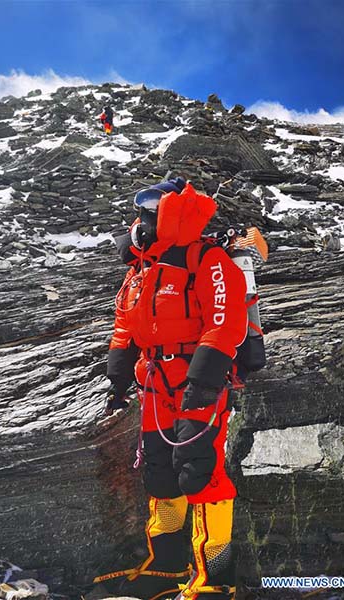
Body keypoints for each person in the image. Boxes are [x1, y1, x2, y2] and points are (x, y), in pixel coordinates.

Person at [96, 177, 248, 600]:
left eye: (146, 213)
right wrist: (118, 380)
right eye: (138, 214)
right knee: (161, 472)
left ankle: (215, 580)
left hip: (197, 383)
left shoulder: (208, 260)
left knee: (200, 471)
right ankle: (166, 566)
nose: (138, 222)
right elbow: (125, 327)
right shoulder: (140, 270)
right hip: (154, 384)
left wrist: (202, 383)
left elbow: (224, 322)